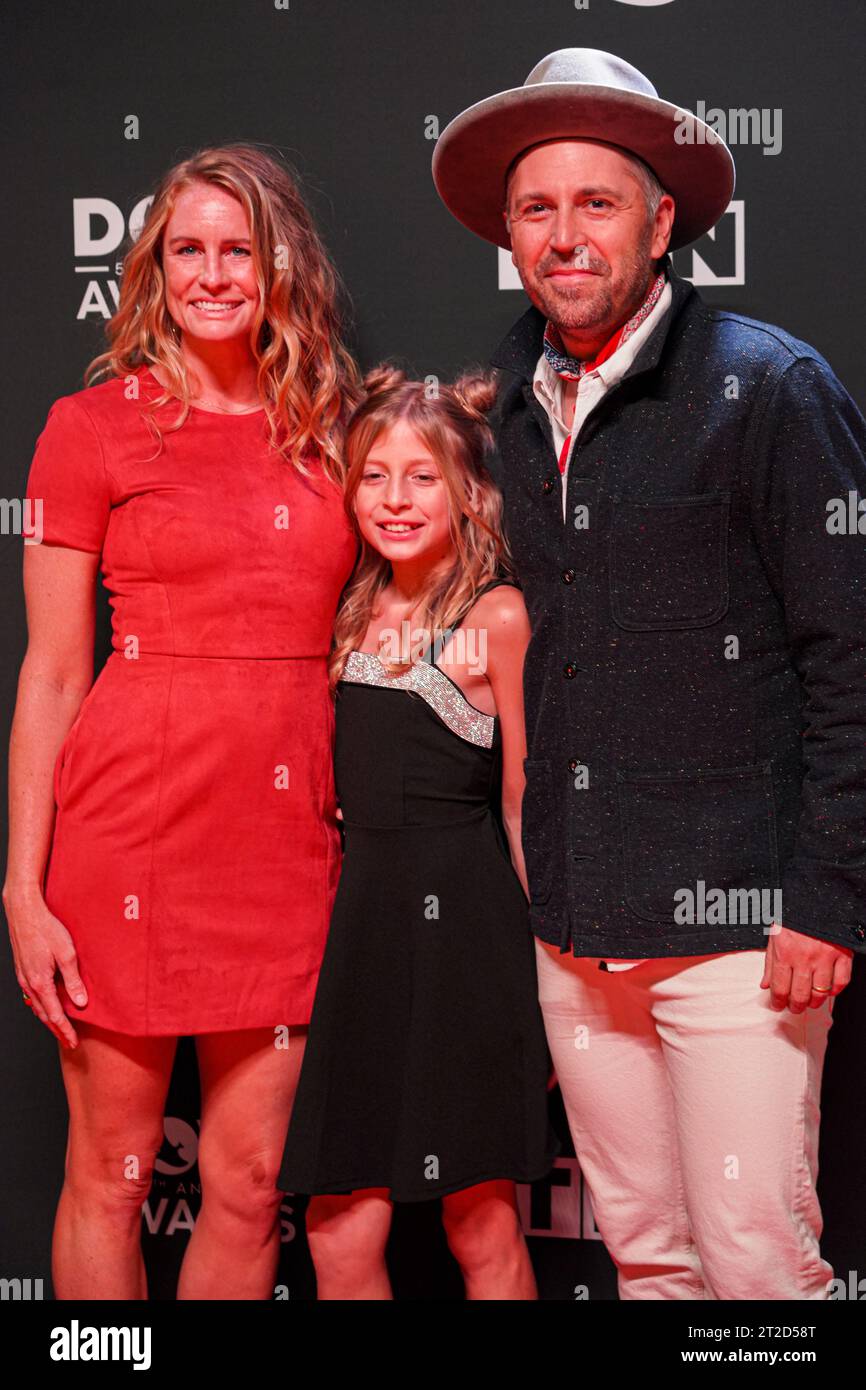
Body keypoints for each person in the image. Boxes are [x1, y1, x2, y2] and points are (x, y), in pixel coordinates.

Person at [432, 47, 866, 1299]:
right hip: (572, 927)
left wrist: (828, 895)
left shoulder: (767, 386)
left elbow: (849, 649)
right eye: (536, 209)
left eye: (596, 203)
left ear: (660, 219)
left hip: (742, 930)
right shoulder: (505, 400)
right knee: (649, 1261)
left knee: (757, 1264)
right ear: (509, 233)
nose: (564, 236)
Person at [4, 144, 361, 1299]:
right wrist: (22, 884)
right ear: (155, 269)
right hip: (129, 833)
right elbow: (54, 674)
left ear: (279, 264)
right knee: (109, 1176)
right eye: (185, 250)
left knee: (253, 1182)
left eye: (236, 249)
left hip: (287, 840)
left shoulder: (340, 430)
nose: (212, 274)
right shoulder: (91, 427)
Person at [277, 365, 560, 1299]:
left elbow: (524, 805)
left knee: (478, 1222)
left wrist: (551, 984)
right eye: (374, 476)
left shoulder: (498, 616)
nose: (395, 500)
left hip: (467, 940)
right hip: (362, 936)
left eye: (422, 477)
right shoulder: (347, 610)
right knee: (336, 1229)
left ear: (469, 490)